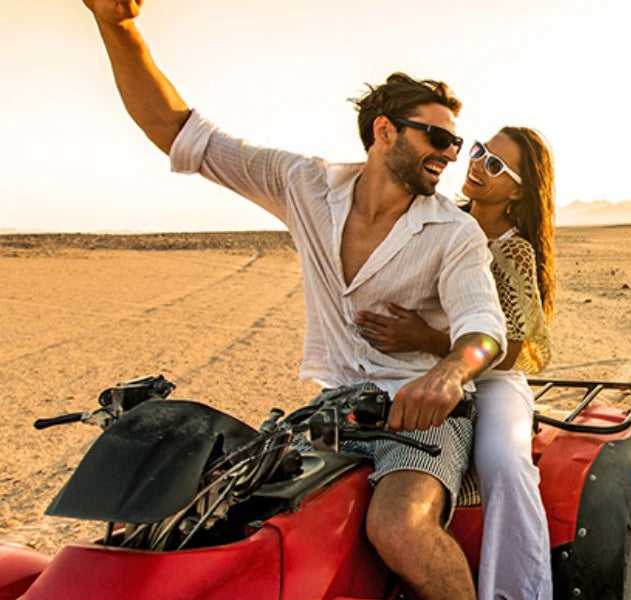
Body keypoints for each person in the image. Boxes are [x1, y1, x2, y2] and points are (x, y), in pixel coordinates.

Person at [82, 2, 504, 599]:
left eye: (456, 142)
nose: (449, 153)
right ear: (385, 130)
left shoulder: (453, 232)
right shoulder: (305, 185)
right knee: (212, 518)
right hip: (331, 413)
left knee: (400, 528)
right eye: (437, 137)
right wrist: (116, 27)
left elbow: (484, 326)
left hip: (424, 418)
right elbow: (179, 131)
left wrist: (448, 373)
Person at [356, 129, 556, 600]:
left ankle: (520, 592)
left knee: (504, 463)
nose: (477, 164)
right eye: (480, 152)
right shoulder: (438, 221)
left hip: (493, 379)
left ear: (519, 190)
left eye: (494, 165)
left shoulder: (514, 250)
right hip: (421, 369)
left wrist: (425, 337)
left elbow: (514, 347)